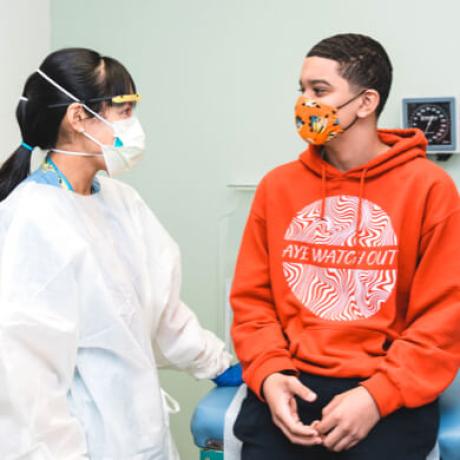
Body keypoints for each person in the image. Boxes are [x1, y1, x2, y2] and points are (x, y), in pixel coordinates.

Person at [0, 48, 240, 460]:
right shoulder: (32, 220)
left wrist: (221, 365)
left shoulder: (119, 201)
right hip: (80, 445)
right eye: (124, 109)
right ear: (78, 118)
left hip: (139, 434)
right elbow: (25, 379)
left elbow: (162, 311)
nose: (134, 125)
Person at [230, 33, 460, 459]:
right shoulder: (277, 187)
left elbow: (443, 320)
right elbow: (252, 304)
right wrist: (269, 375)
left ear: (366, 102)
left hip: (383, 387)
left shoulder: (430, 190)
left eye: (319, 91)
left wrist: (376, 396)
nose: (304, 103)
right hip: (292, 380)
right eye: (301, 90)